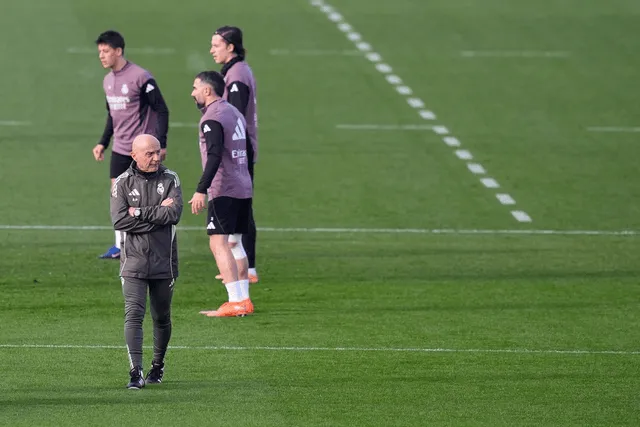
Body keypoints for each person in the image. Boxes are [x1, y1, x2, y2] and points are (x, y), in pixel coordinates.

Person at [110, 134, 183, 389]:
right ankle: (135, 372)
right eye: (149, 154)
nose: (155, 158)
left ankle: (158, 366)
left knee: (161, 316)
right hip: (133, 262)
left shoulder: (171, 178)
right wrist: (158, 214)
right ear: (134, 155)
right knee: (134, 315)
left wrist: (139, 212)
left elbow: (174, 214)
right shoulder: (122, 182)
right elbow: (120, 221)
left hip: (165, 262)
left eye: (157, 152)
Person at [93, 30, 170, 259]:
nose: (101, 56)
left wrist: (161, 144)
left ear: (118, 51)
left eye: (106, 51)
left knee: (146, 197)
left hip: (141, 149)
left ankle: (152, 243)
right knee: (118, 195)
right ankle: (120, 245)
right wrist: (103, 143)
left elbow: (162, 109)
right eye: (100, 51)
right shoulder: (107, 81)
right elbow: (112, 116)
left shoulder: (141, 77)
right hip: (120, 149)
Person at [188, 71, 254, 317]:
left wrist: (201, 189)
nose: (192, 93)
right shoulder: (234, 112)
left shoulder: (211, 117)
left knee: (218, 242)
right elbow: (248, 149)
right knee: (235, 242)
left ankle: (234, 301)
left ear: (207, 90)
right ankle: (244, 300)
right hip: (243, 185)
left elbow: (214, 155)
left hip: (224, 188)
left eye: (195, 88)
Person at [210, 26, 260, 284]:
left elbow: (236, 116)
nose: (212, 50)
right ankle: (241, 265)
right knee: (240, 208)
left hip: (240, 150)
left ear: (230, 47)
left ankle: (248, 268)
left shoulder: (237, 75)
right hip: (241, 149)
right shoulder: (235, 71)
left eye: (216, 45)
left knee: (241, 209)